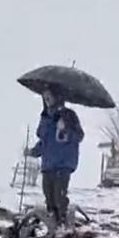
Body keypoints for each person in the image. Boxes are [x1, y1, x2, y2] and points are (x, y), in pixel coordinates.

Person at [28, 85, 83, 225]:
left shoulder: (69, 115)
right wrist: (34, 152)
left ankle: (63, 226)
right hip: (48, 165)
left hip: (63, 163)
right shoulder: (45, 117)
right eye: (44, 97)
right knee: (49, 199)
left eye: (49, 96)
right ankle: (53, 228)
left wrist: (66, 131)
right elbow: (45, 140)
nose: (46, 100)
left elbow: (79, 136)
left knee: (60, 198)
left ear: (57, 96)